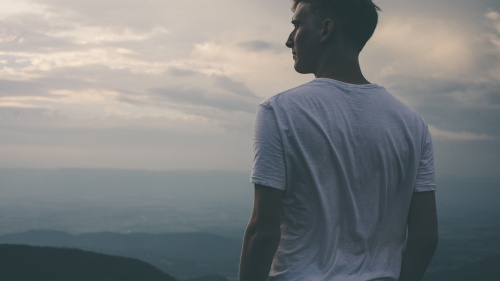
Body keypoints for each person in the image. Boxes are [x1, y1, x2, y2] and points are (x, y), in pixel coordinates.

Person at [239, 0, 438, 281]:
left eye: (296, 26)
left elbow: (263, 230)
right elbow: (425, 235)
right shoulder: (412, 124)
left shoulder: (279, 111)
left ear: (325, 29)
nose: (288, 40)